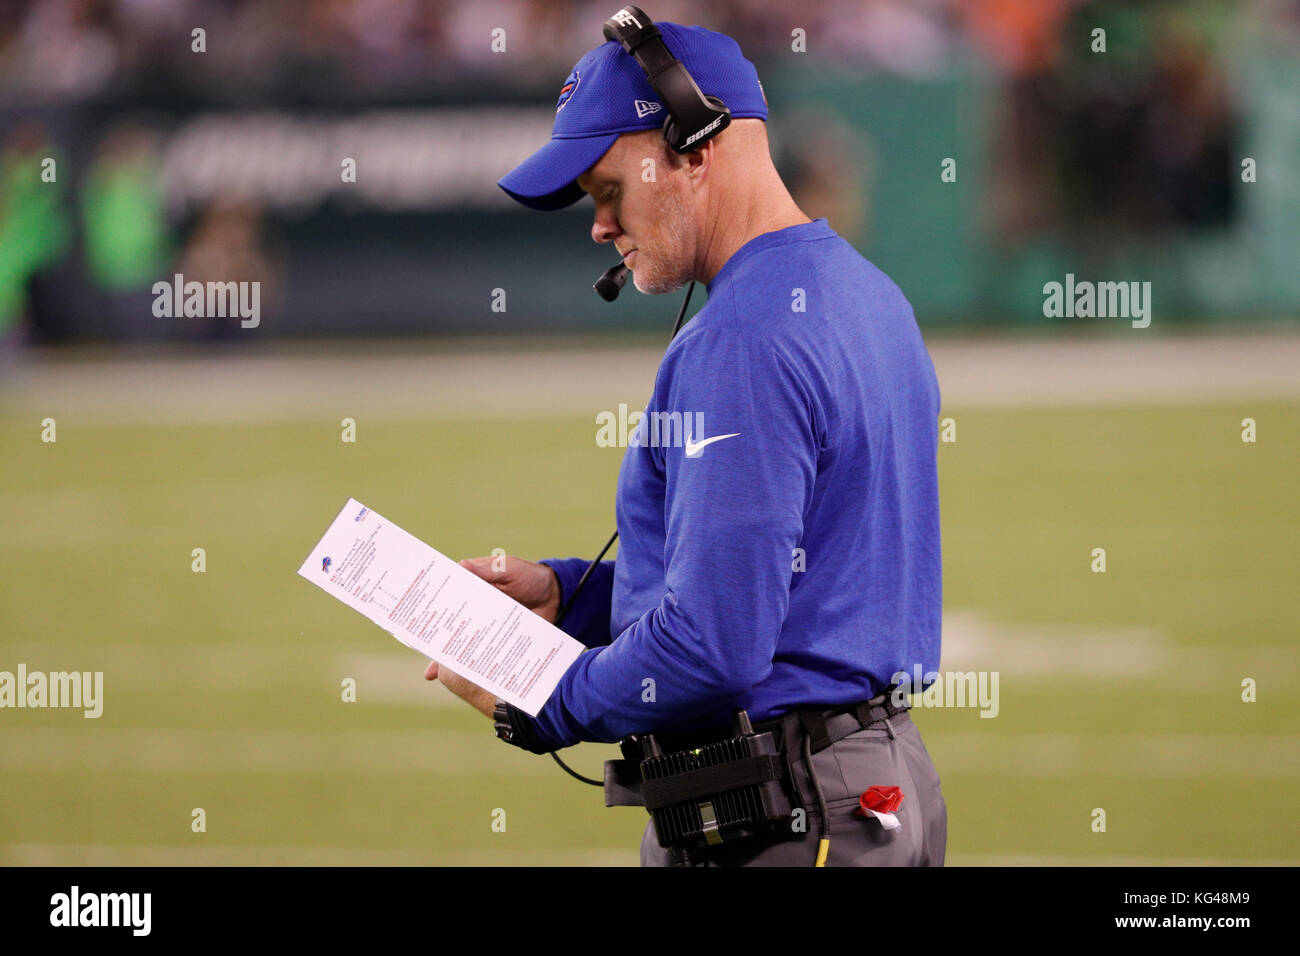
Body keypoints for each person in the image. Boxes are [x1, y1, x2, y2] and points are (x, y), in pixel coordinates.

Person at [427, 15, 947, 867]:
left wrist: (538, 696)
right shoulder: (867, 293)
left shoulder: (740, 340)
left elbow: (716, 645)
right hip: (875, 789)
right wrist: (573, 597)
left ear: (696, 146)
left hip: (780, 813)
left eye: (606, 190)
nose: (599, 227)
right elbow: (795, 583)